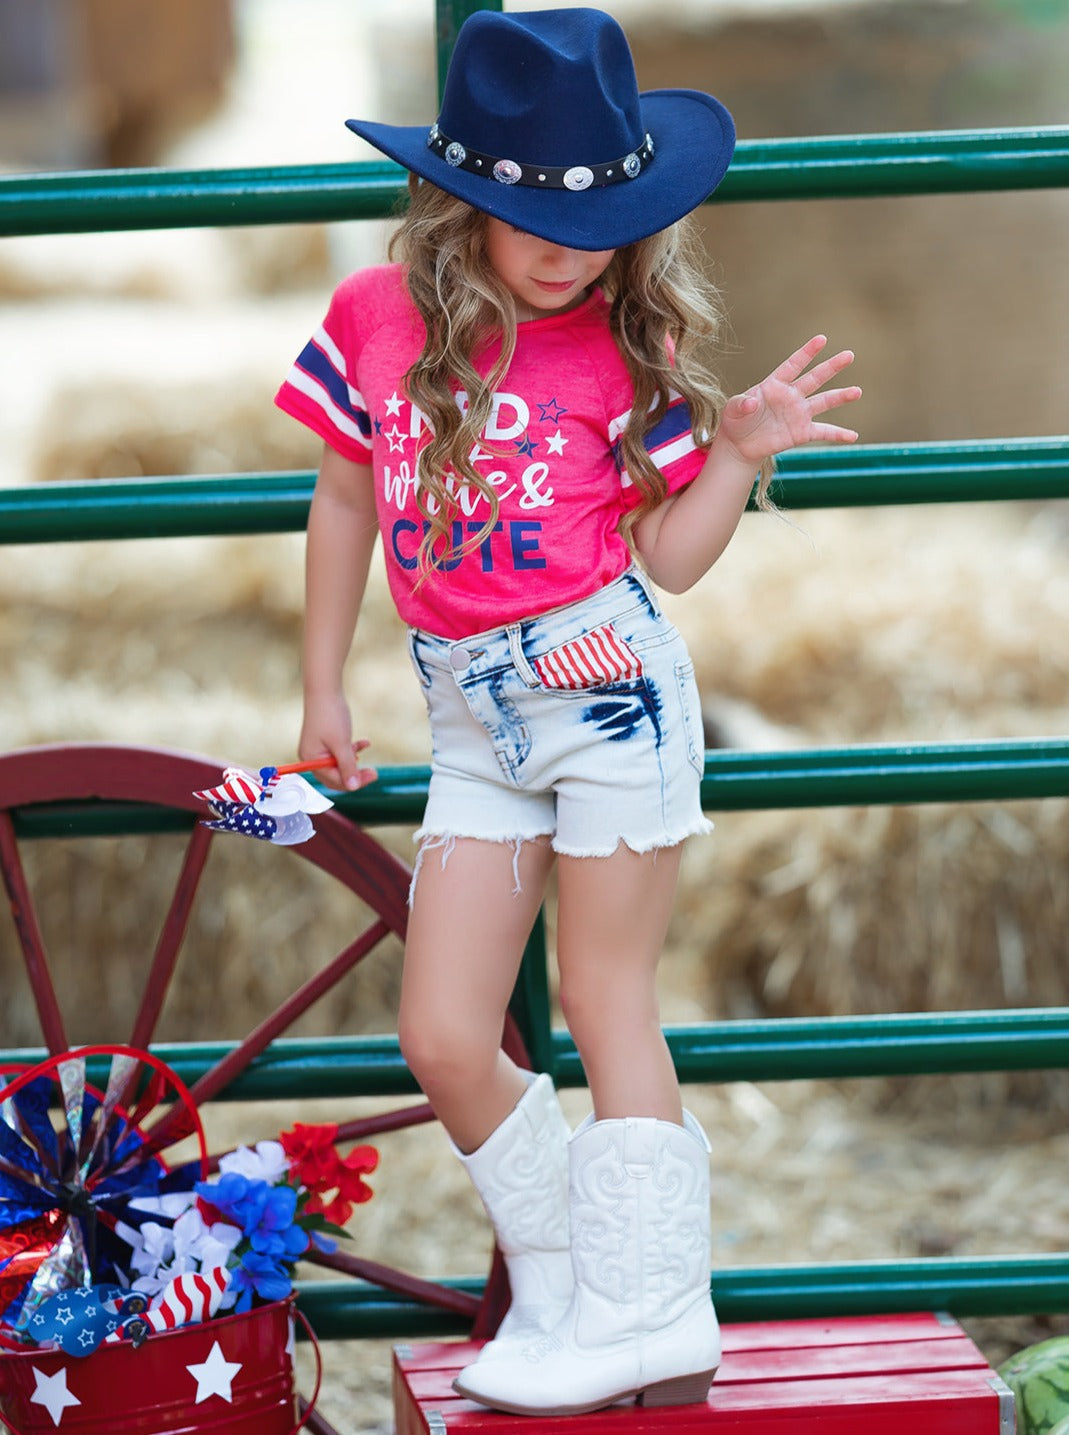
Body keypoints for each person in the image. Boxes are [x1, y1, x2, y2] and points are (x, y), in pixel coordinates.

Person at [275, 6, 860, 1417]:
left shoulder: (630, 334)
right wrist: (320, 680)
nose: (565, 246)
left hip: (609, 698)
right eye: (525, 211)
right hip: (468, 715)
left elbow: (662, 561)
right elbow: (348, 492)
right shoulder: (374, 318)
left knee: (603, 997)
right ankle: (564, 1288)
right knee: (440, 1034)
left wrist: (731, 457)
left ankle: (654, 1313)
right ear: (458, 196)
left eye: (595, 217)